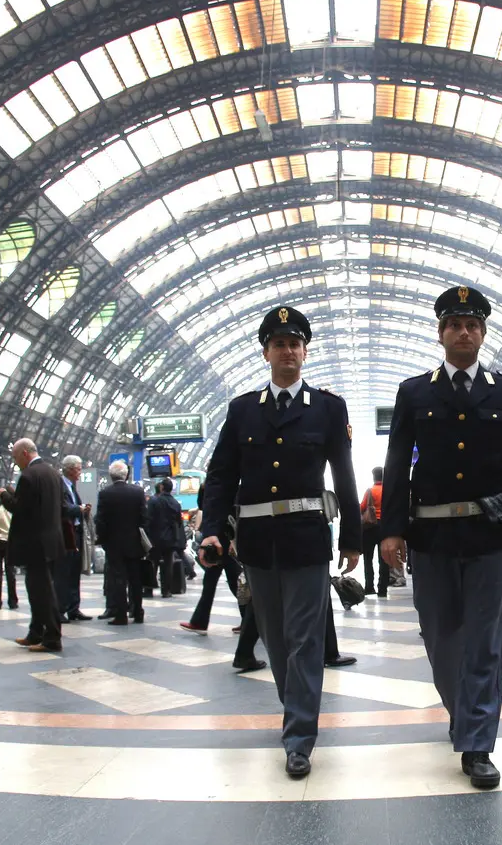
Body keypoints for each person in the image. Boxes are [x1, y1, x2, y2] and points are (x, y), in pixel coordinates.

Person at [379, 285, 502, 789]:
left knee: (485, 642)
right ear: (441, 333)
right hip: (431, 536)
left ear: (483, 333)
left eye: (472, 324)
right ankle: (463, 711)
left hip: (491, 536)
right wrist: (391, 531)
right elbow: (396, 465)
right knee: (440, 637)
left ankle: (477, 743)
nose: (464, 332)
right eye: (455, 324)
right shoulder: (414, 393)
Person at [198, 305, 361, 779]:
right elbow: (221, 476)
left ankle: (298, 736)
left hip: (308, 540)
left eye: (295, 344)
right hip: (257, 544)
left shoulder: (328, 408)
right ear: (266, 351)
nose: (287, 351)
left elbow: (344, 475)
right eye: (279, 344)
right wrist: (213, 527)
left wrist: (351, 536)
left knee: (305, 641)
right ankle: (296, 711)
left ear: (305, 352)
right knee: (274, 638)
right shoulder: (242, 410)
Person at [0, 438, 64, 652]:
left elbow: (20, 508)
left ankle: (52, 638)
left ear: (25, 453)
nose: (16, 463)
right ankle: (35, 633)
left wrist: (5, 495)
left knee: (42, 591)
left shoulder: (28, 476)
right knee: (38, 589)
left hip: (35, 544)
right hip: (52, 542)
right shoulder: (53, 473)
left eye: (16, 457)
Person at [181, 484, 242, 634]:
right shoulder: (215, 486)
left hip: (224, 540)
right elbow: (204, 506)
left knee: (234, 582)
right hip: (219, 541)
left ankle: (252, 621)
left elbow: (228, 511)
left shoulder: (227, 485)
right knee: (217, 582)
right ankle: (200, 621)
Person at [95, 460, 147, 625]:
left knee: (118, 579)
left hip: (114, 544)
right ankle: (138, 612)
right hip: (134, 543)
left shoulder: (105, 494)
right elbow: (144, 518)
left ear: (111, 476)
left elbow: (101, 520)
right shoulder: (137, 492)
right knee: (135, 578)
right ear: (126, 475)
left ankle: (121, 615)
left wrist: (102, 539)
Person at [58, 456, 91, 622]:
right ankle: (61, 609)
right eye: (78, 469)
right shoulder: (61, 486)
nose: (80, 472)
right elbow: (62, 507)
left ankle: (74, 608)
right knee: (65, 572)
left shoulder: (71, 487)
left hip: (76, 533)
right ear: (70, 469)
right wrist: (78, 508)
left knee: (74, 573)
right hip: (66, 535)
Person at [145, 477, 185, 596]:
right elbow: (178, 521)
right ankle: (166, 591)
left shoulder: (153, 501)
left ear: (162, 487)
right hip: (170, 539)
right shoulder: (176, 503)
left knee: (153, 563)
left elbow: (148, 519)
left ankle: (149, 589)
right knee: (168, 565)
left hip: (155, 538)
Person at [359, 467, 388, 597]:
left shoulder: (370, 491)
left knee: (368, 558)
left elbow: (362, 507)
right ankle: (382, 589)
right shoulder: (387, 491)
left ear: (373, 477)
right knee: (384, 559)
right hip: (384, 527)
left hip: (370, 527)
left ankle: (369, 587)